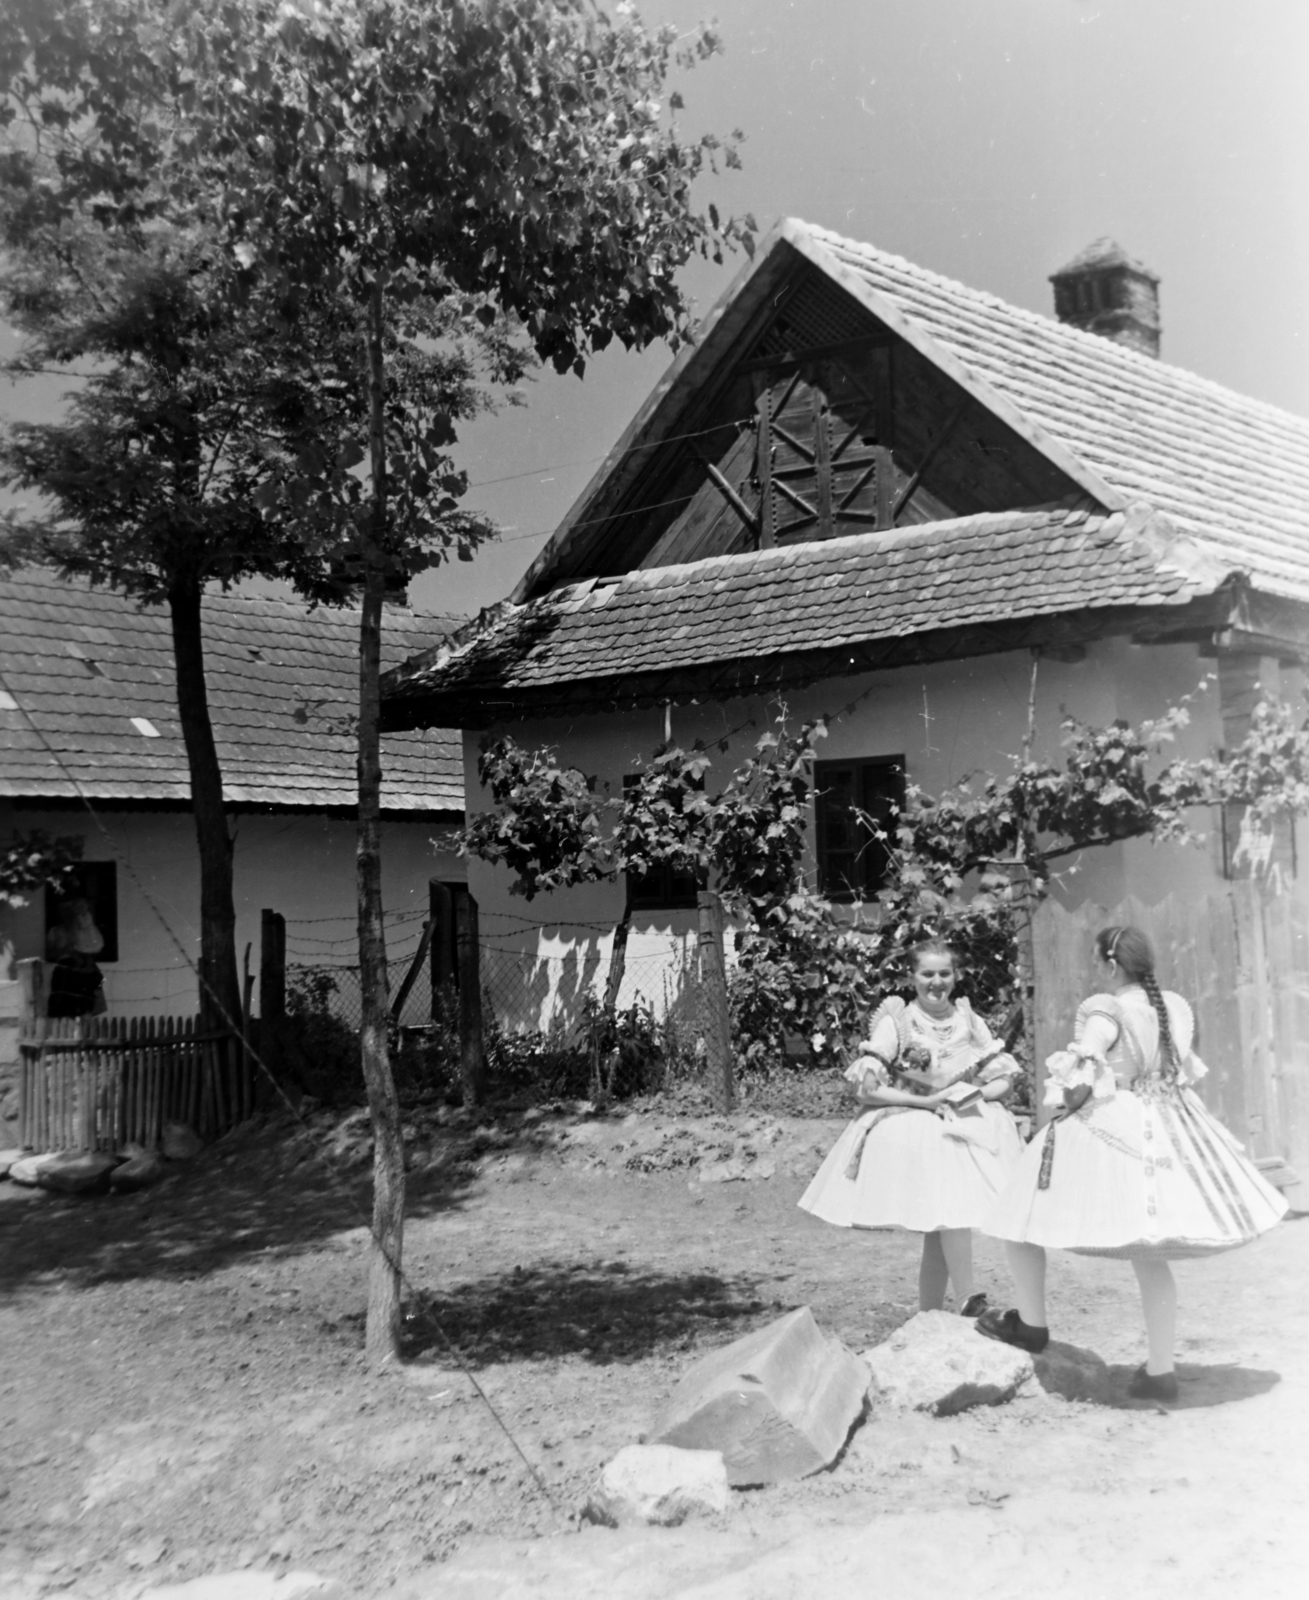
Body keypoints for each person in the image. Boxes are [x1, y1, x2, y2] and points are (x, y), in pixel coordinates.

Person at [978, 925, 1288, 1402]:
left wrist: (1066, 1107)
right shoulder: (1171, 1010)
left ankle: (1032, 1325)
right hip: (1167, 1118)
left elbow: (1083, 1070)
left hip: (1116, 1118)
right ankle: (1161, 1370)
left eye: (1095, 962)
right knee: (1151, 1249)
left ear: (1109, 964)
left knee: (1018, 1217)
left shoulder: (1106, 1010)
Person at [799, 939, 1024, 1314]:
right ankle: (967, 1297)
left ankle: (931, 1315)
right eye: (927, 974)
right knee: (947, 1210)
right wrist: (927, 1102)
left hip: (961, 1120)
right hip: (915, 1124)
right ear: (911, 976)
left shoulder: (967, 1018)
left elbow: (1005, 1078)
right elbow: (866, 1090)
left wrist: (975, 1094)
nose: (937, 982)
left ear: (956, 975)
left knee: (941, 1227)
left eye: (944, 973)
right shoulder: (899, 1020)